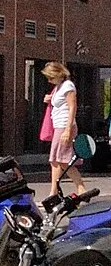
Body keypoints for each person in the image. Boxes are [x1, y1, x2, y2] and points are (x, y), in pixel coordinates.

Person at [46, 61, 82, 201]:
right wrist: (49, 99)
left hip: (65, 126)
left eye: (50, 77)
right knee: (55, 159)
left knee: (62, 160)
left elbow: (72, 106)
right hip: (58, 126)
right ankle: (54, 191)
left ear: (58, 74)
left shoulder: (68, 85)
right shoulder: (58, 87)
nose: (49, 80)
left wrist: (68, 129)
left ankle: (80, 187)